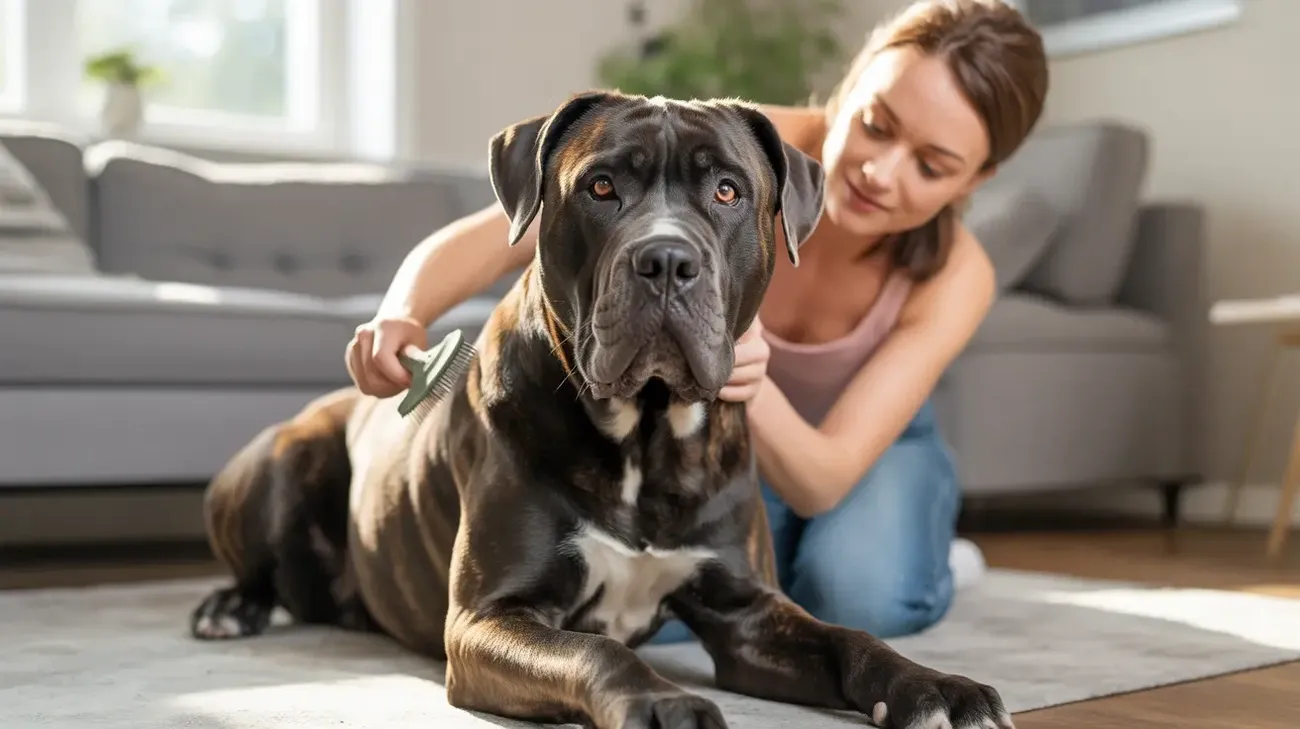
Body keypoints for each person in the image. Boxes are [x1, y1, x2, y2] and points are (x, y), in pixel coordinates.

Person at [344, 0, 1049, 642]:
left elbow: (824, 477)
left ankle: (930, 553)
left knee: (859, 594)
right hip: (707, 438)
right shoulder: (731, 147)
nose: (881, 172)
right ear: (854, 83)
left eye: (932, 165)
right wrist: (401, 314)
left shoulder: (957, 274)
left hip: (853, 449)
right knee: (637, 612)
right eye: (875, 125)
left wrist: (741, 370)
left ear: (975, 179)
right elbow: (501, 233)